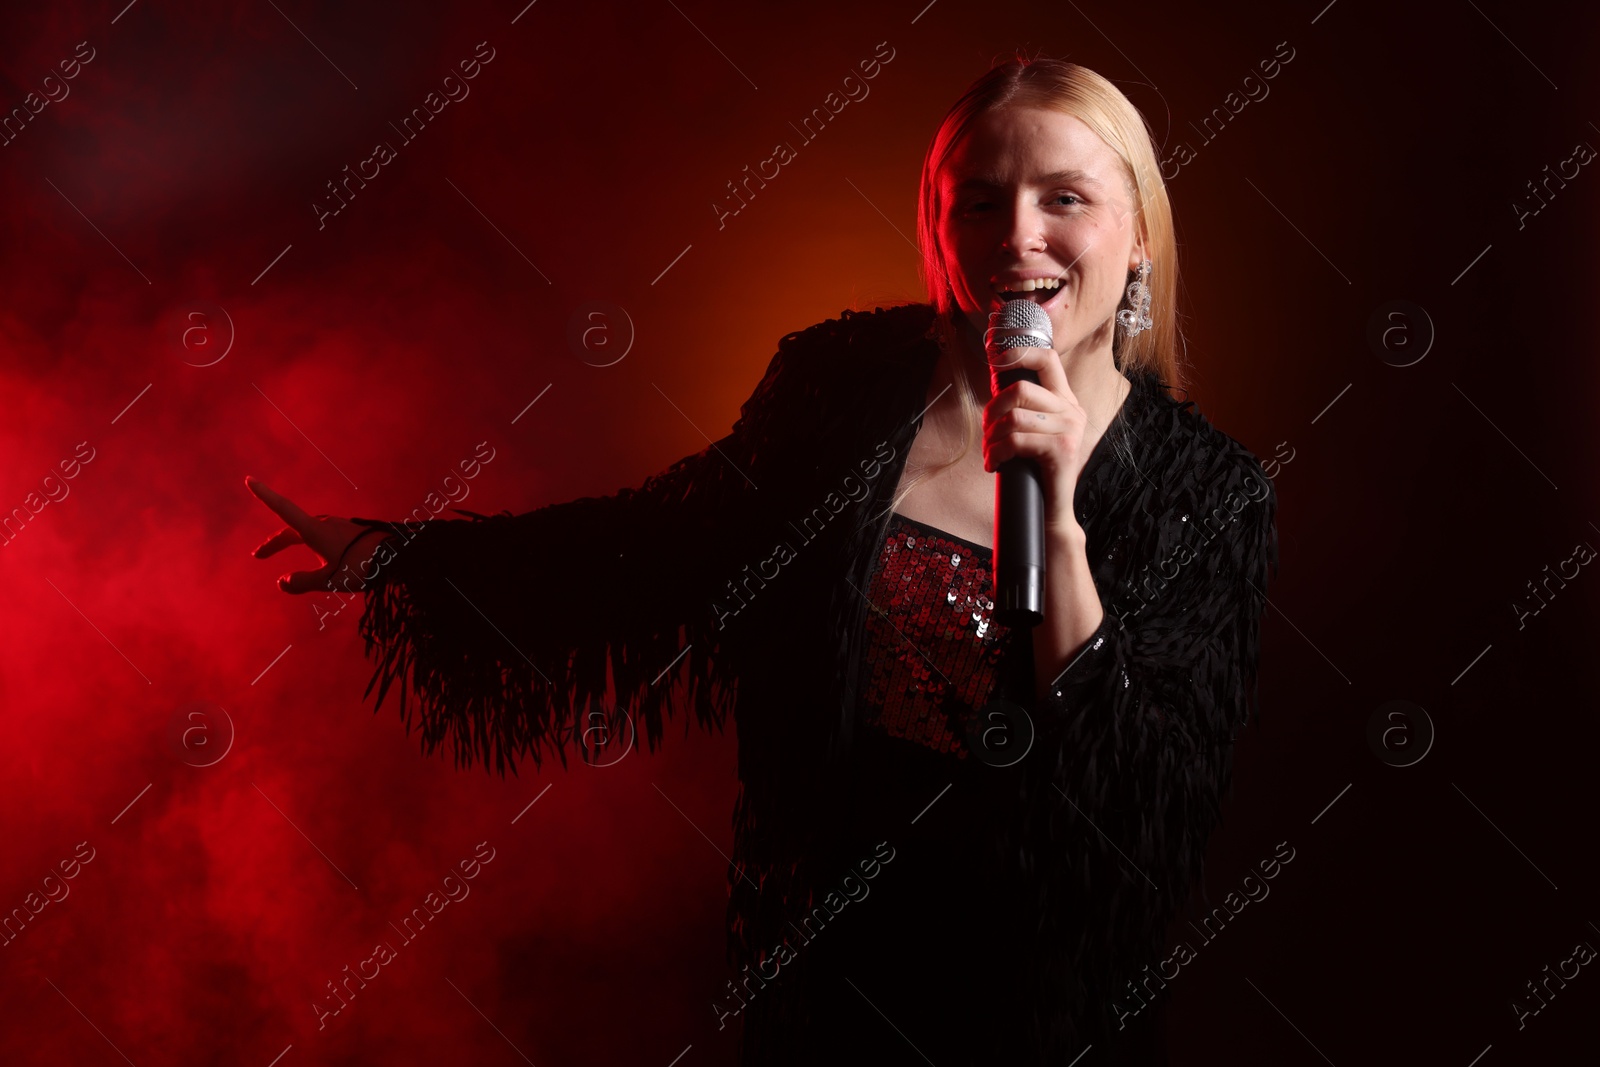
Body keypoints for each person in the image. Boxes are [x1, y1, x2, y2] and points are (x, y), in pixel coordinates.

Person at [247, 56, 1278, 1066]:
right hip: (832, 992)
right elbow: (661, 545)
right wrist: (407, 555)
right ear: (938, 228)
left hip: (1048, 1018)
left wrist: (1054, 515)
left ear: (1136, 232)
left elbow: (1147, 812)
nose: (1018, 237)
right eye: (979, 202)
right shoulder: (839, 388)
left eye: (1063, 197)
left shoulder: (1210, 493)